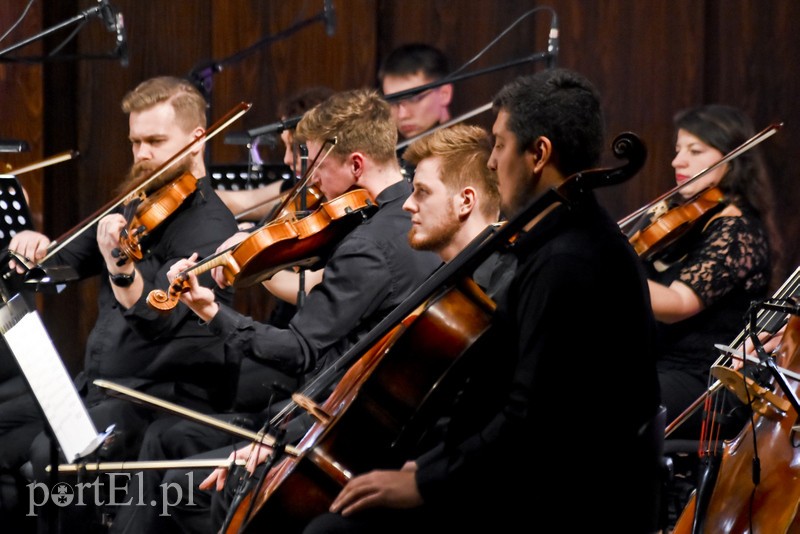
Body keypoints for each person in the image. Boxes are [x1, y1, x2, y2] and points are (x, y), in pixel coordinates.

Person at [302, 68, 663, 532]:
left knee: (329, 529)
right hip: (522, 477)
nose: (491, 163)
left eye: (500, 145)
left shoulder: (567, 262)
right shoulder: (563, 240)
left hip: (552, 501)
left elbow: (529, 421)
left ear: (538, 154)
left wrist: (426, 482)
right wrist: (429, 464)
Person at [109, 87, 440, 533]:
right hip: (327, 406)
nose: (310, 181)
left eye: (317, 166)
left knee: (180, 486)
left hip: (332, 421)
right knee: (171, 439)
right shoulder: (398, 218)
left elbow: (298, 349)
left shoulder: (367, 245)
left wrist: (211, 311)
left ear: (357, 165)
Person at [0, 76, 240, 525]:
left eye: (155, 141)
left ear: (196, 140)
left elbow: (157, 319)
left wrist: (120, 267)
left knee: (52, 456)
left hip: (155, 400)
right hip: (99, 388)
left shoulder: (208, 228)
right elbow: (57, 266)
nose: (142, 153)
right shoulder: (138, 203)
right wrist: (32, 247)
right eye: (135, 142)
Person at [646, 104, 776, 441]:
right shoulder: (691, 222)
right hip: (658, 368)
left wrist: (610, 269)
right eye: (678, 150)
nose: (677, 161)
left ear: (731, 158)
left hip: (705, 382)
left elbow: (677, 304)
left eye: (695, 150)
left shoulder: (737, 229)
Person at [216, 86, 335, 225]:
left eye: (296, 148)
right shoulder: (299, 190)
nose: (287, 159)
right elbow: (242, 202)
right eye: (286, 147)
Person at [378, 43, 453, 181]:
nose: (402, 114)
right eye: (393, 102)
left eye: (413, 99)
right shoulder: (391, 163)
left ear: (444, 94)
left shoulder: (469, 157)